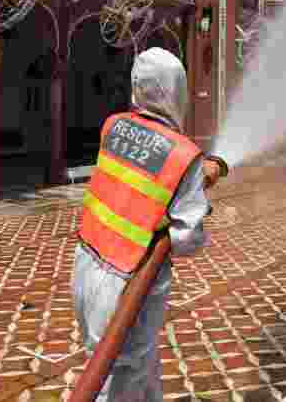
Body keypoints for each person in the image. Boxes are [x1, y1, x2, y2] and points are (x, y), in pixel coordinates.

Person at [72, 47, 224, 402]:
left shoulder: (113, 125)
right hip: (129, 284)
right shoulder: (184, 154)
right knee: (119, 378)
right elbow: (187, 240)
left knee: (133, 363)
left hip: (85, 265)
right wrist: (197, 195)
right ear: (176, 91)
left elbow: (138, 182)